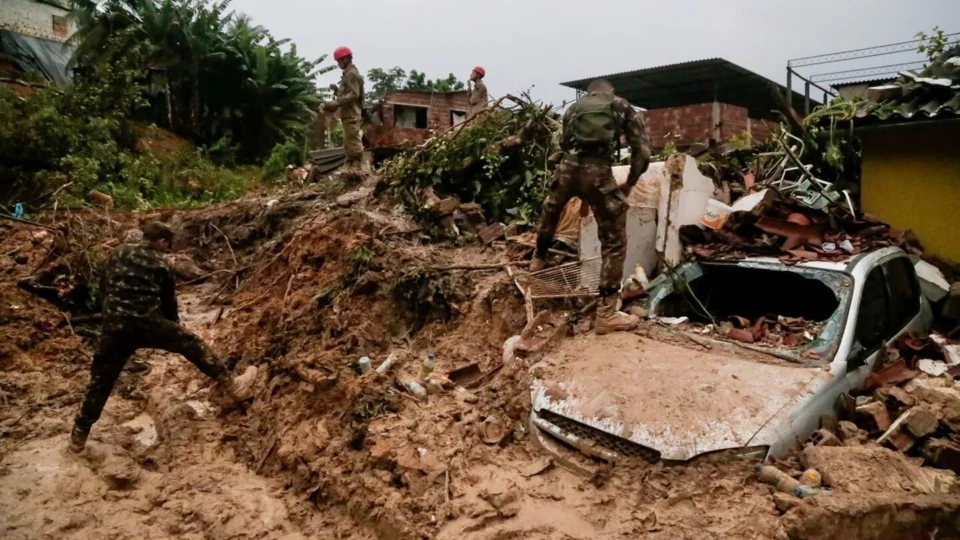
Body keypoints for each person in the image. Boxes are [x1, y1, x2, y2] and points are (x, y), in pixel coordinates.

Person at [69, 222, 252, 453]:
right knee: (191, 343)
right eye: (168, 244)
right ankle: (234, 386)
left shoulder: (115, 254)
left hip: (114, 327)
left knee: (101, 380)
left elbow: (103, 291)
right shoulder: (162, 263)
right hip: (148, 323)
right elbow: (169, 303)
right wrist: (173, 327)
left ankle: (79, 435)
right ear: (163, 241)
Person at [531, 79, 651, 335]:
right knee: (614, 239)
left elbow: (563, 144)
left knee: (551, 210)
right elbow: (643, 152)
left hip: (566, 170)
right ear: (611, 91)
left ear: (589, 93)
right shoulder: (622, 106)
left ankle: (539, 258)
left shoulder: (574, 109)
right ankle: (606, 314)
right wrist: (629, 183)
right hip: (598, 174)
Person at [324, 46, 365, 170]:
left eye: (340, 61)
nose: (339, 64)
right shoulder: (348, 74)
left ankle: (356, 166)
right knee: (348, 141)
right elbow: (348, 94)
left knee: (353, 140)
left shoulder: (351, 74)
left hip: (352, 113)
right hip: (348, 113)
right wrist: (337, 91)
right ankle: (351, 165)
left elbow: (354, 94)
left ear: (346, 59)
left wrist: (336, 102)